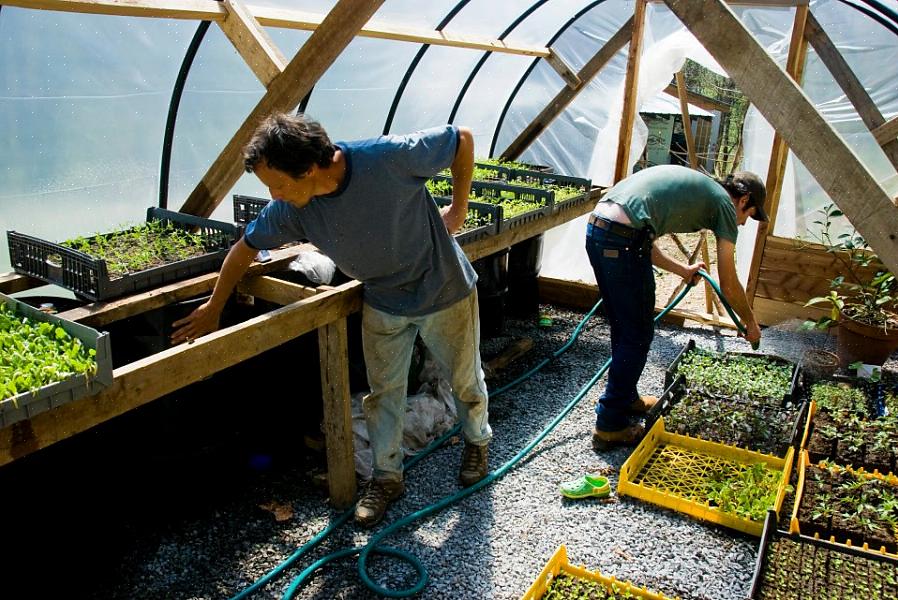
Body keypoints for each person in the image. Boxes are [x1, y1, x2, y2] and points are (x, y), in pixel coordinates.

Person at [171, 113, 492, 527]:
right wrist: (214, 307)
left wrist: (459, 209)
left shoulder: (385, 159)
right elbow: (246, 247)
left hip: (443, 289)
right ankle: (387, 478)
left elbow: (461, 139)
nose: (274, 195)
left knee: (464, 378)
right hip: (383, 300)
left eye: (279, 184)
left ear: (309, 169)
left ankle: (477, 441)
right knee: (384, 395)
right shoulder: (292, 209)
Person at [585, 164, 766, 450]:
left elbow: (642, 235)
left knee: (625, 326)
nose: (743, 223)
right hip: (621, 239)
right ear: (743, 201)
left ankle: (626, 398)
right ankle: (609, 425)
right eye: (749, 215)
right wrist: (751, 323)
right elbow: (729, 282)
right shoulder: (724, 205)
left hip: (600, 229)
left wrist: (682, 270)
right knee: (637, 334)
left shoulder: (698, 189)